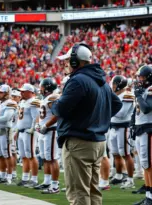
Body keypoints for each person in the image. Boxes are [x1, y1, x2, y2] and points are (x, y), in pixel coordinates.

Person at [51, 43, 122, 205]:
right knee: (93, 192)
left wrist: (54, 104)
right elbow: (116, 104)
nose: (66, 63)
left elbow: (60, 109)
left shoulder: (78, 80)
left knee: (79, 193)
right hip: (97, 141)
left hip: (79, 141)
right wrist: (97, 119)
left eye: (68, 60)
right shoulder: (101, 81)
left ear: (76, 61)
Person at [108, 75, 135, 189]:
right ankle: (119, 175)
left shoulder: (127, 95)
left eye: (114, 83)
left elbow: (121, 114)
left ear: (119, 84)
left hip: (124, 127)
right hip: (113, 127)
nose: (112, 86)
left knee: (126, 154)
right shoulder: (115, 95)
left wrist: (107, 108)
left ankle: (130, 179)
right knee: (115, 153)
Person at [35, 78, 61, 194]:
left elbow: (57, 114)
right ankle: (47, 181)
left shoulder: (53, 98)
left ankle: (55, 185)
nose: (40, 89)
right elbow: (40, 116)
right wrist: (37, 124)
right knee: (45, 158)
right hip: (43, 131)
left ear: (47, 88)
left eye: (42, 87)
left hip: (51, 130)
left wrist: (45, 125)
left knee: (52, 158)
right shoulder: (44, 99)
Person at [0, 84, 17, 185]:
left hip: (5, 131)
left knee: (7, 154)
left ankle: (9, 177)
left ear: (6, 93)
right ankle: (2, 175)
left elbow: (6, 117)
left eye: (1, 92)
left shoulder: (10, 103)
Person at [133, 65, 152, 205]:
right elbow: (137, 112)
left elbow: (146, 109)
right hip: (140, 128)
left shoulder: (150, 90)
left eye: (142, 77)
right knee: (145, 164)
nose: (140, 79)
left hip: (148, 129)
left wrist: (139, 95)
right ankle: (148, 195)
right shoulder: (143, 90)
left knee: (149, 164)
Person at [16, 83, 40, 188]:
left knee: (31, 155)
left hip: (28, 132)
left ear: (30, 92)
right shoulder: (23, 102)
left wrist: (32, 128)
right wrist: (17, 131)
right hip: (21, 131)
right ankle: (25, 178)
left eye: (23, 91)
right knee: (24, 156)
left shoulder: (33, 102)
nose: (21, 93)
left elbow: (36, 117)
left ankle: (34, 179)